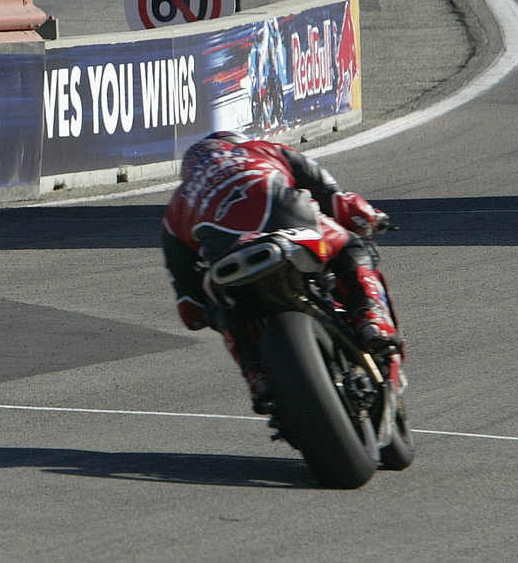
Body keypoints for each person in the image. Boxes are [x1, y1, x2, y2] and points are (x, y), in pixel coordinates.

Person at [160, 131, 399, 410]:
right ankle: (370, 316)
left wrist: (205, 313)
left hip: (226, 254)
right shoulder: (259, 149)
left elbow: (189, 303)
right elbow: (336, 199)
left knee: (223, 307)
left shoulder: (178, 203)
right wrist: (370, 216)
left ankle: (256, 373)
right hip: (289, 219)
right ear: (232, 144)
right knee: (350, 246)